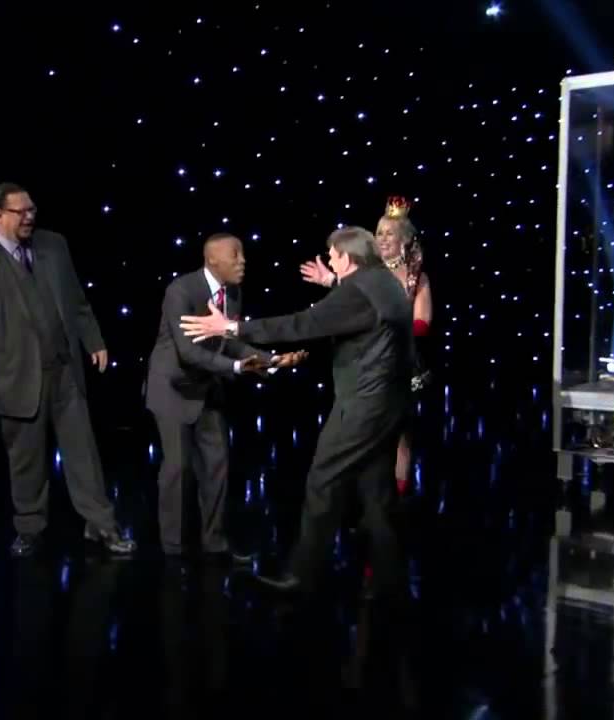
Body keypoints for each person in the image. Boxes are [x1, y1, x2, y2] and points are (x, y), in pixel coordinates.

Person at [180, 227, 413, 596]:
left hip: (362, 406)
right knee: (377, 494)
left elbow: (302, 324)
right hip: (390, 403)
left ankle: (301, 577)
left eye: (333, 256)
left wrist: (233, 327)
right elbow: (363, 309)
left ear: (347, 257)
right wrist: (334, 283)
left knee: (323, 482)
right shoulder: (384, 281)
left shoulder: (357, 291)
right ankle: (390, 583)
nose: (330, 262)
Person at [0, 182, 135, 558]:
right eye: (20, 212)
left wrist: (94, 340)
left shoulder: (54, 245)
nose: (29, 217)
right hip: (14, 378)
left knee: (83, 454)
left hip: (64, 372)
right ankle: (30, 528)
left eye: (32, 210)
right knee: (27, 461)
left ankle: (102, 525)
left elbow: (76, 299)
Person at [145, 233, 307, 561]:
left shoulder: (232, 292)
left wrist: (271, 360)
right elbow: (188, 351)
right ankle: (174, 549)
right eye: (235, 254)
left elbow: (230, 341)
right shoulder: (181, 290)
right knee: (178, 468)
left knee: (217, 465)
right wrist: (234, 367)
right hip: (174, 389)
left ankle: (215, 543)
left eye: (243, 254)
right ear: (212, 260)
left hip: (208, 387)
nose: (243, 261)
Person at [300, 196, 432, 494]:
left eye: (389, 233)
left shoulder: (416, 277)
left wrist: (388, 326)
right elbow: (353, 302)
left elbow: (422, 321)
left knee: (398, 437)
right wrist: (331, 281)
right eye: (379, 233)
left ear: (404, 239)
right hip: (363, 366)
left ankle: (392, 502)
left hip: (398, 365)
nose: (382, 238)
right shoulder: (367, 273)